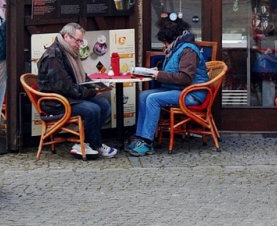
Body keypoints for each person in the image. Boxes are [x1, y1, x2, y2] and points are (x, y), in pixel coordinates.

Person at [127, 16, 208, 157]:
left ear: (170, 40)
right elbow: (174, 69)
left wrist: (159, 75)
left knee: (153, 99)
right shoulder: (177, 48)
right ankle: (140, 137)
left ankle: (147, 142)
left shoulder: (188, 50)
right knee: (143, 95)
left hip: (191, 94)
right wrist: (157, 70)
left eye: (164, 42)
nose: (164, 46)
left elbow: (185, 78)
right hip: (178, 90)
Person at [37, 22, 117, 159]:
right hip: (56, 102)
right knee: (93, 109)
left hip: (68, 97)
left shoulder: (67, 52)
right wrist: (91, 92)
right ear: (67, 37)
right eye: (78, 41)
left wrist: (95, 86)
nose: (79, 44)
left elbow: (80, 77)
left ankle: (84, 143)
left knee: (104, 105)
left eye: (81, 41)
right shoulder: (53, 56)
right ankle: (95, 145)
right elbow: (65, 87)